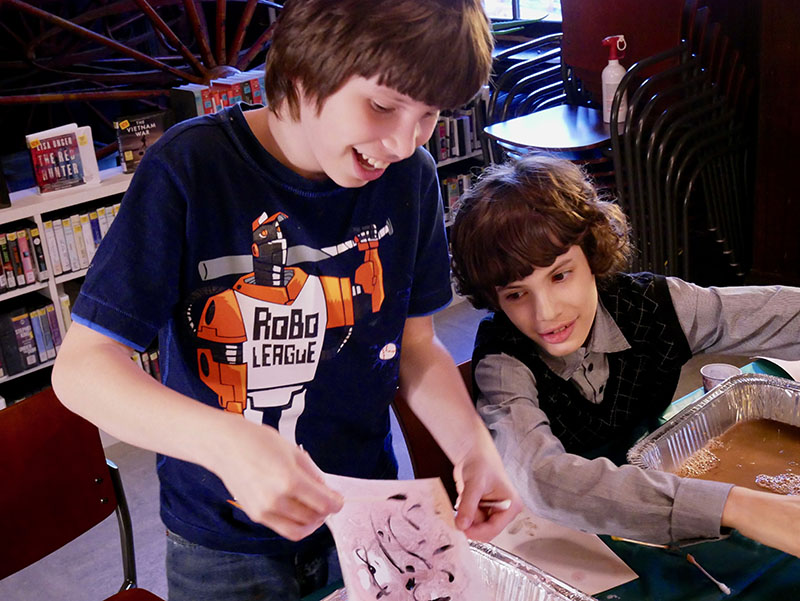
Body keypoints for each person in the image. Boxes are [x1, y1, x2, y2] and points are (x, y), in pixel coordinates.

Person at [51, 1, 521, 599]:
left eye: (429, 114)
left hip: (367, 509)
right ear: (302, 72)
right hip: (222, 542)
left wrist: (472, 446)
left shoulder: (412, 178)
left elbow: (416, 347)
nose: (405, 141)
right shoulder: (188, 168)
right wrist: (227, 442)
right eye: (382, 105)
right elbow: (83, 370)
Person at [449, 153, 800, 557]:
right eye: (516, 294)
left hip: (660, 507)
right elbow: (542, 480)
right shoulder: (502, 363)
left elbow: (778, 315)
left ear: (592, 254)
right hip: (564, 541)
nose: (546, 313)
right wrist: (741, 505)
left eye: (560, 275)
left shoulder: (656, 306)